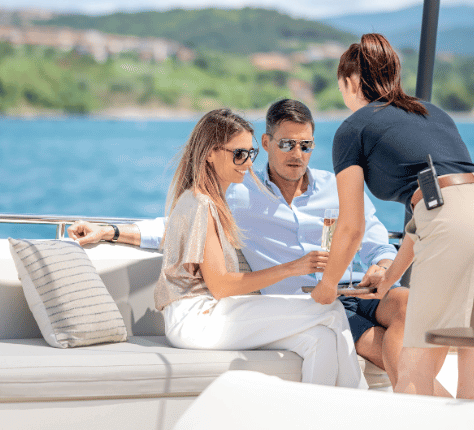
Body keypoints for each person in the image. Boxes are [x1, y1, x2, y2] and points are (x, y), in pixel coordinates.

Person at [70, 98, 421, 390]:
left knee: (406, 310)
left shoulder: (335, 187)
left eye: (306, 145)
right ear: (268, 144)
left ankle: (378, 410)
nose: (297, 154)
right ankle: (374, 411)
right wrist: (112, 232)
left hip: (351, 288)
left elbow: (373, 238)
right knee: (331, 319)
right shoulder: (232, 195)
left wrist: (382, 266)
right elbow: (176, 230)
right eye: (286, 144)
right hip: (289, 301)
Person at [310, 33, 474, 402]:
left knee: (414, 365)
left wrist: (328, 285)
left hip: (453, 215)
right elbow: (428, 210)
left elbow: (352, 225)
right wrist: (391, 277)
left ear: (349, 81)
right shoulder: (430, 112)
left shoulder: (353, 128)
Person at [152, 107, 365, 388]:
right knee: (332, 311)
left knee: (321, 339)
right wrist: (293, 267)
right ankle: (362, 405)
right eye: (239, 154)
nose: (248, 163)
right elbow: (222, 287)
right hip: (195, 320)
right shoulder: (200, 204)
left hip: (210, 315)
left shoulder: (213, 203)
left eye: (251, 154)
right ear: (209, 153)